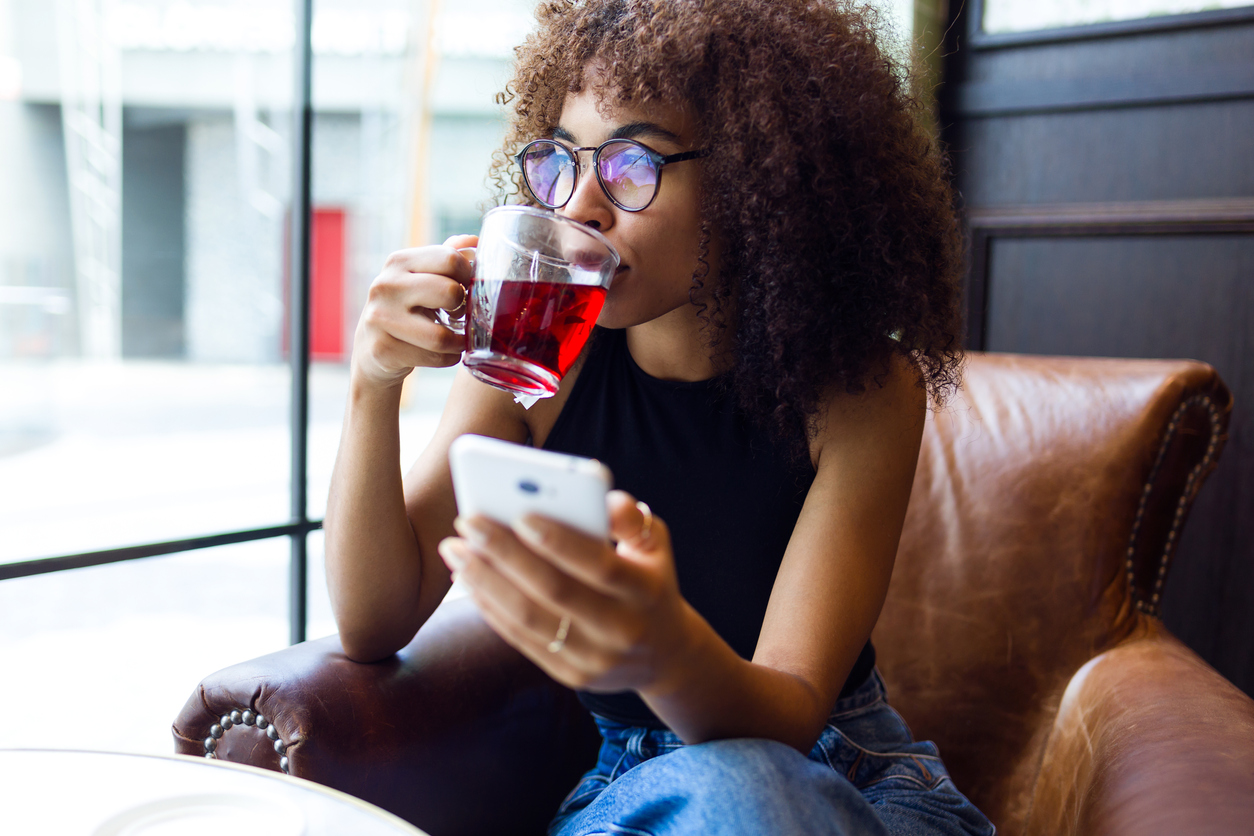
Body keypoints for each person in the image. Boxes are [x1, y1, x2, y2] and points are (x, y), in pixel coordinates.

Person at [324, 0, 992, 834]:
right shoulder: (538, 357)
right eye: (561, 161)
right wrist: (372, 383)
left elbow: (789, 718)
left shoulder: (860, 391)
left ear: (760, 177)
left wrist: (661, 646)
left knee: (744, 795)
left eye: (633, 164)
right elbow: (373, 619)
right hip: (636, 789)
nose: (581, 207)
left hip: (847, 780)